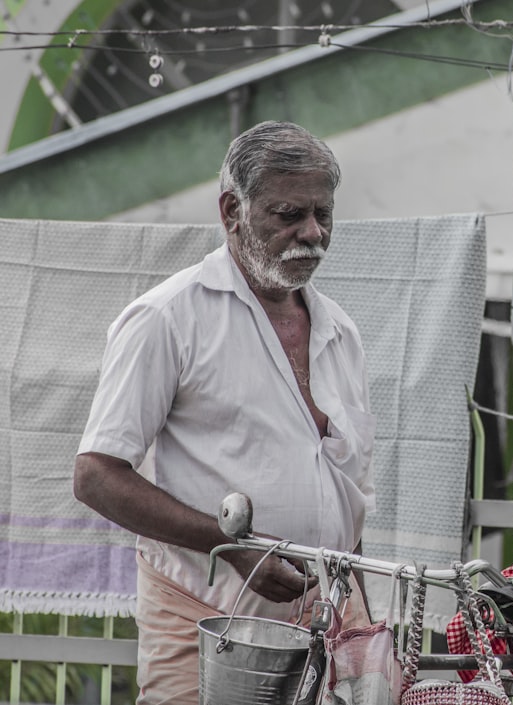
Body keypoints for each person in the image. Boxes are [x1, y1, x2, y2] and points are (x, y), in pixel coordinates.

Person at [73, 120, 376, 705]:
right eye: (289, 214)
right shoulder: (167, 317)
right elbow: (96, 476)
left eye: (322, 214)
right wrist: (232, 547)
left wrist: (361, 618)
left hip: (330, 630)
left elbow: (344, 491)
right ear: (232, 210)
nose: (312, 233)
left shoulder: (340, 330)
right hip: (204, 623)